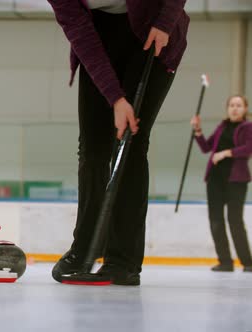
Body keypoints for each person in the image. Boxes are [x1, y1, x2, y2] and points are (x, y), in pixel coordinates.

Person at [49, 0, 189, 285]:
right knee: (92, 147)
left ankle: (123, 260)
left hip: (152, 28)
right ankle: (86, 248)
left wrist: (165, 22)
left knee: (131, 145)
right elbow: (77, 27)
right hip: (97, 35)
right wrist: (115, 98)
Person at [191, 95, 252, 273]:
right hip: (215, 179)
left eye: (239, 105)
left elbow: (249, 148)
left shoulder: (248, 127)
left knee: (235, 220)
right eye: (232, 105)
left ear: (245, 108)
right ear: (227, 108)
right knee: (215, 220)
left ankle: (248, 262)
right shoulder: (222, 126)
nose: (234, 108)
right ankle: (225, 261)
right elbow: (206, 147)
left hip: (236, 180)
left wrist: (226, 153)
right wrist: (198, 131)